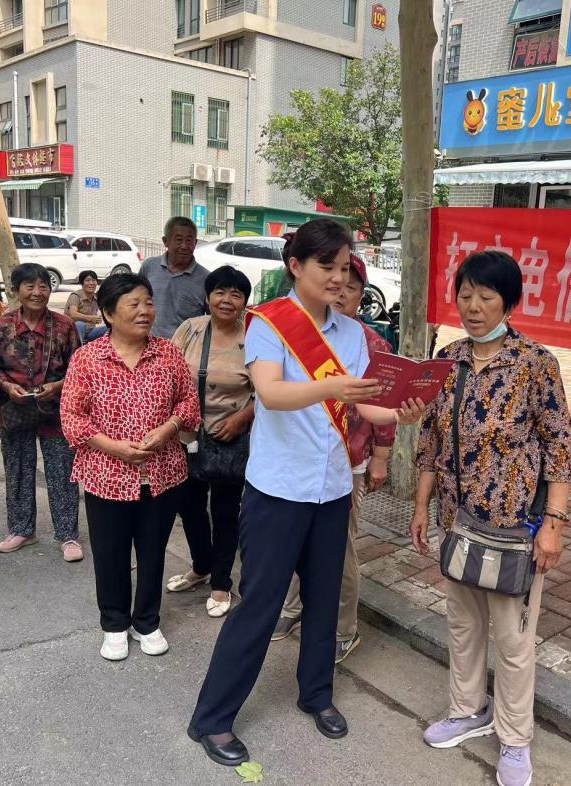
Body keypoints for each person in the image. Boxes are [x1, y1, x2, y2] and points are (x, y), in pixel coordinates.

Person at [187, 218, 426, 768]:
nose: (338, 278)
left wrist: (403, 413)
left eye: (345, 268)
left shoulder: (351, 333)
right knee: (261, 603)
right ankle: (212, 717)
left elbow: (366, 404)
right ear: (296, 266)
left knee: (323, 598)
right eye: (327, 266)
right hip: (278, 490)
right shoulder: (268, 323)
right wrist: (333, 386)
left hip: (333, 487)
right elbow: (271, 393)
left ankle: (316, 694)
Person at [410, 250, 571, 786]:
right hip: (457, 522)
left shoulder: (536, 363)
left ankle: (515, 737)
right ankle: (468, 710)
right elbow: (431, 439)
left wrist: (554, 525)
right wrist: (421, 505)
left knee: (513, 639)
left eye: (486, 296)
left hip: (513, 529)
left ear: (509, 303)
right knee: (462, 624)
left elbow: (559, 447)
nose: (473, 307)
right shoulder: (449, 358)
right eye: (465, 295)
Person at [60, 273, 200, 661]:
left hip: (163, 472)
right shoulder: (88, 358)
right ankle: (114, 623)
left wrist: (168, 429)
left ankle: (147, 621)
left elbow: (189, 404)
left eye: (148, 303)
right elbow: (71, 416)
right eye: (133, 304)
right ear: (108, 313)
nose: (144, 311)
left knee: (153, 552)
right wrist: (114, 448)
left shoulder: (168, 353)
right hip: (106, 475)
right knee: (111, 553)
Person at [273, 253, 395, 663]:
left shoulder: (371, 343)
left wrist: (381, 457)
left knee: (339, 550)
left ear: (362, 295)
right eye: (336, 282)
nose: (341, 292)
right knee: (294, 541)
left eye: (352, 287)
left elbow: (384, 407)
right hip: (297, 461)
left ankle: (344, 628)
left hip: (348, 460)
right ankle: (293, 608)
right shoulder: (296, 333)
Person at [166, 265, 255, 619]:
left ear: (245, 301)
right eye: (220, 291)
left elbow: (267, 389)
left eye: (236, 293)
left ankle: (221, 582)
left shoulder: (254, 336)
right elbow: (169, 374)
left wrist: (241, 419)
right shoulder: (190, 329)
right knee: (188, 507)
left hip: (230, 436)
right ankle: (201, 566)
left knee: (225, 512)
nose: (227, 299)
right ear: (207, 296)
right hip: (186, 435)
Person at [0, 263, 83, 562]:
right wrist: (6, 386)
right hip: (14, 410)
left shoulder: (65, 326)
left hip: (56, 411)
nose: (37, 292)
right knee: (17, 469)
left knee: (62, 471)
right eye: (29, 286)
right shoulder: (2, 326)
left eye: (43, 286)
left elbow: (80, 370)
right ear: (16, 290)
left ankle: (67, 535)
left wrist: (57, 387)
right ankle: (22, 529)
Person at [137, 216, 208, 338]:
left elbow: (213, 319)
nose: (184, 246)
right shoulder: (149, 267)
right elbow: (136, 301)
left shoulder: (206, 278)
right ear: (165, 241)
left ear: (195, 243)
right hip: (148, 343)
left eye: (189, 240)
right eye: (178, 240)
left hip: (185, 346)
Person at [65, 270, 107, 342]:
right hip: (73, 332)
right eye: (88, 280)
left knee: (112, 328)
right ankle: (78, 347)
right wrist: (90, 318)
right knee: (80, 324)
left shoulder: (96, 297)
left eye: (94, 280)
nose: (91, 283)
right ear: (82, 283)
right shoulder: (75, 296)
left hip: (90, 332)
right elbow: (73, 314)